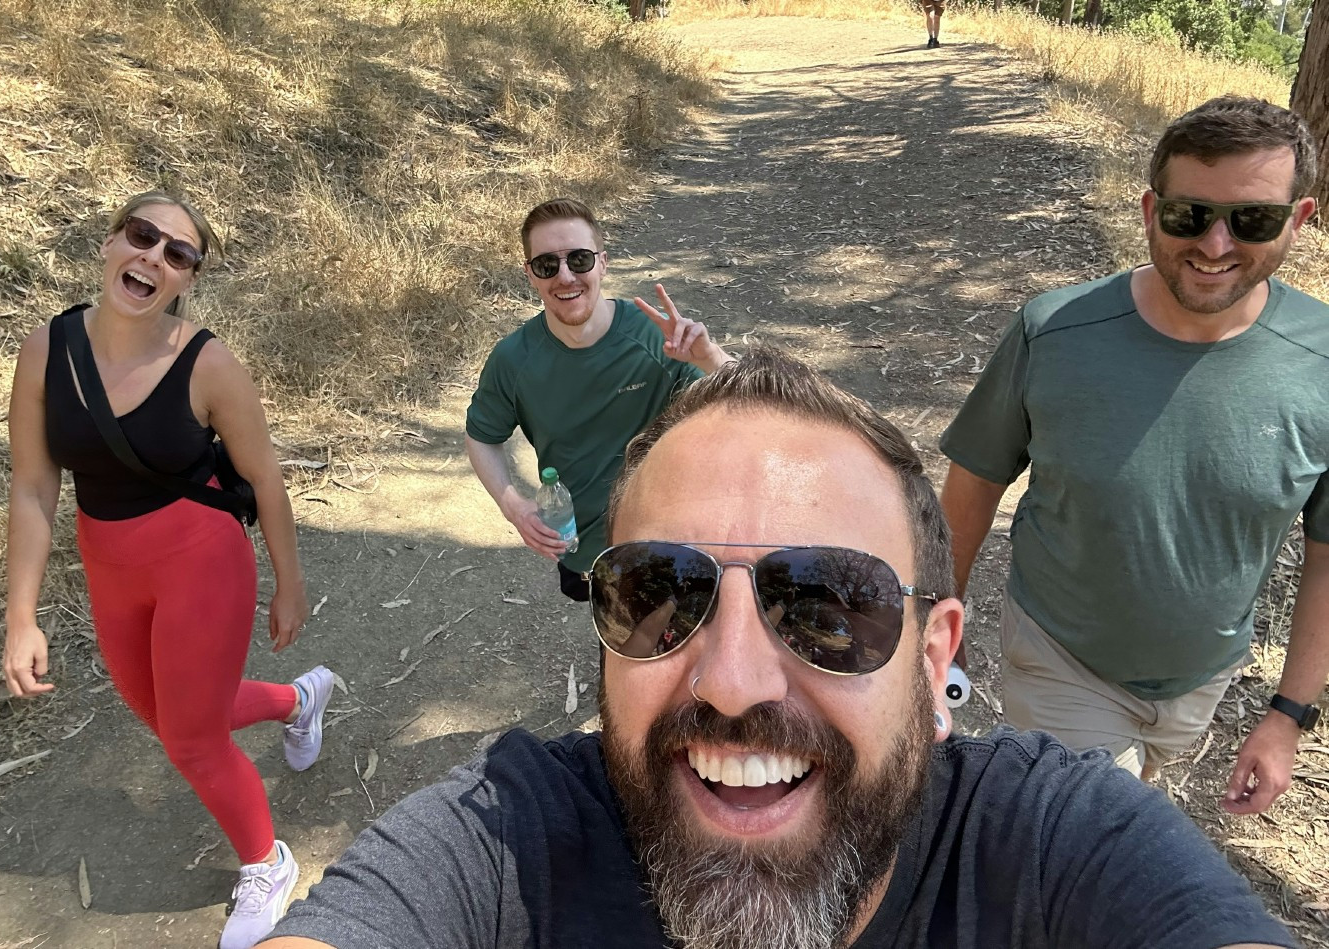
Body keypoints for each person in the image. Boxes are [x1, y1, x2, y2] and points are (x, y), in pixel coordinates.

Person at [261, 349, 1292, 949]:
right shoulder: (505, 849)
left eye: (831, 606)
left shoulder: (1049, 849)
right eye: (660, 594)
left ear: (936, 662)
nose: (734, 681)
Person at [939, 95, 1329, 813]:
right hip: (1061, 658)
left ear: (1298, 222)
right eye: (1189, 216)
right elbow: (970, 488)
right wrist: (937, 620)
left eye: (1252, 220)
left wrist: (1287, 715)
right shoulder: (1054, 331)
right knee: (1092, 845)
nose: (1215, 246)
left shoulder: (1323, 363)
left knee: (1131, 800)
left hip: (1201, 676)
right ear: (1151, 210)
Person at [2, 191, 339, 949]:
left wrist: (290, 583)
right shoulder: (45, 349)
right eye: (143, 235)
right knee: (170, 716)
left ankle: (268, 861)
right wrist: (20, 615)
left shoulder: (207, 362)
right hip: (109, 564)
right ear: (110, 242)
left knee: (189, 739)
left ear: (186, 279)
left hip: (201, 561)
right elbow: (32, 485)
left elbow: (267, 479)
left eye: (177, 253)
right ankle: (297, 699)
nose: (153, 256)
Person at [464, 198, 731, 601]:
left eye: (580, 259)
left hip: (678, 544)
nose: (566, 276)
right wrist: (515, 508)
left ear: (602, 263)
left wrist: (711, 360)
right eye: (547, 265)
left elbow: (751, 406)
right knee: (622, 653)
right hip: (587, 555)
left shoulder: (654, 337)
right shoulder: (514, 360)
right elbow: (482, 436)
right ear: (531, 276)